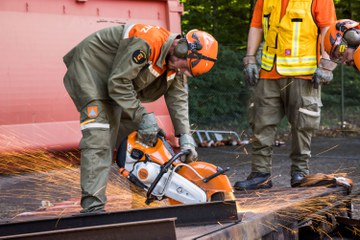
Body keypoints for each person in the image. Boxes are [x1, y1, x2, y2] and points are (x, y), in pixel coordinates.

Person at [62, 23, 218, 213]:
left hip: (119, 85)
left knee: (144, 140)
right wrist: (143, 115)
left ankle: (141, 203)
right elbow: (118, 82)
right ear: (182, 48)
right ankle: (93, 208)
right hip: (92, 74)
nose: (181, 72)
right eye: (183, 67)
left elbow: (178, 98)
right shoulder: (147, 43)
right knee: (99, 139)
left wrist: (185, 136)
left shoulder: (175, 63)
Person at [234, 0, 337, 190]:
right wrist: (249, 59)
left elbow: (328, 30)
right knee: (261, 122)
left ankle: (300, 172)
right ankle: (260, 174)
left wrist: (326, 63)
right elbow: (256, 26)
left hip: (304, 74)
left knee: (302, 124)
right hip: (269, 71)